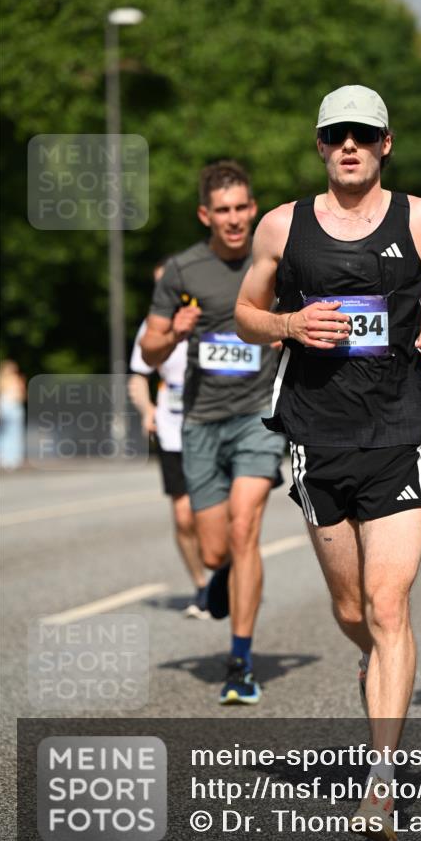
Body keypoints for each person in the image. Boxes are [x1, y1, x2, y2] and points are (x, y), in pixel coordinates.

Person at [235, 84, 421, 841]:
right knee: (352, 614)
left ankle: (379, 792)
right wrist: (285, 321)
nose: (349, 145)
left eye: (363, 134)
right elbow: (246, 313)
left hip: (398, 431)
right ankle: (381, 665)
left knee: (387, 608)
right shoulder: (283, 226)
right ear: (320, 145)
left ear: (385, 144)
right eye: (335, 134)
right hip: (317, 438)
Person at [140, 160, 286, 705]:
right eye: (221, 210)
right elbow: (148, 351)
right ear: (207, 214)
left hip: (257, 416)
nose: (233, 219)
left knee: (245, 526)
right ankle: (222, 577)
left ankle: (240, 661)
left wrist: (284, 330)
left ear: (252, 208)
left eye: (241, 208)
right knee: (214, 546)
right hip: (200, 421)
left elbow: (299, 316)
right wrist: (173, 335)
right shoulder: (183, 271)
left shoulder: (273, 261)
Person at [129, 257, 207, 616]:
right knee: (182, 515)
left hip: (212, 422)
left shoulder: (209, 316)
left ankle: (225, 574)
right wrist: (147, 411)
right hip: (173, 427)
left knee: (216, 514)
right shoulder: (152, 327)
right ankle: (202, 585)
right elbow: (137, 376)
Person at [0, 361, 26, 470]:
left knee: (5, 433)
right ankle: (11, 459)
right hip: (11, 406)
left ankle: (7, 459)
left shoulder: (1, 380)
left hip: (6, 406)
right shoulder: (16, 380)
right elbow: (22, 395)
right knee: (12, 433)